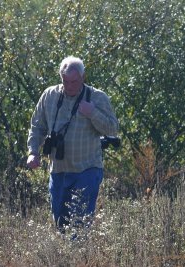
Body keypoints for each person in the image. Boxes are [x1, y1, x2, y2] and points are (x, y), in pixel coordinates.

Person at [27, 56, 118, 232]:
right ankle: (67, 259)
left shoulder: (97, 97)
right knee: (60, 225)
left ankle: (80, 258)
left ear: (83, 78)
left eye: (74, 82)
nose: (69, 86)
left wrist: (93, 113)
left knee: (79, 225)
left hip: (86, 170)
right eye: (65, 81)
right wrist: (33, 152)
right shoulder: (50, 95)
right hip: (58, 170)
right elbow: (37, 126)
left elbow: (112, 129)